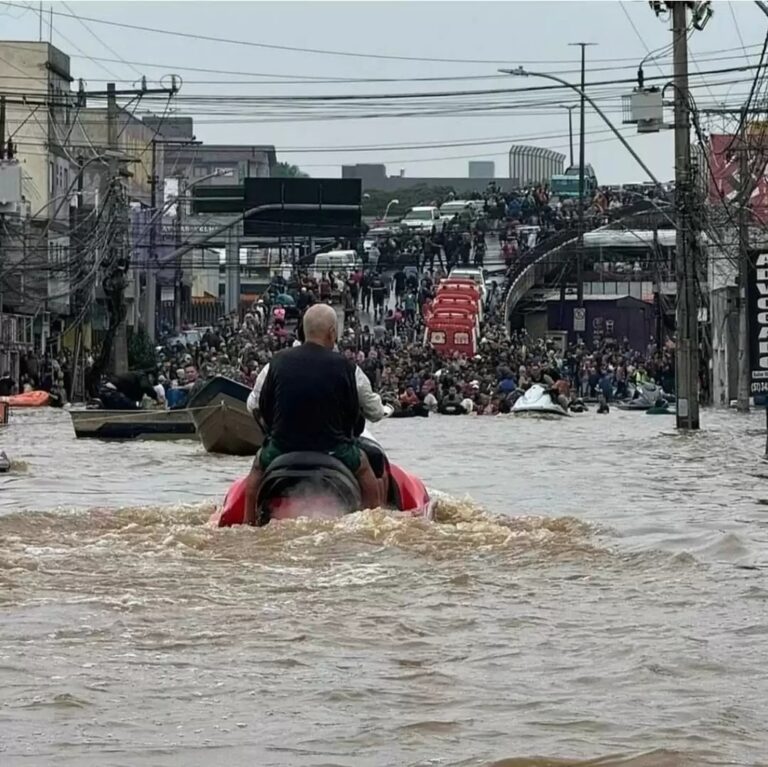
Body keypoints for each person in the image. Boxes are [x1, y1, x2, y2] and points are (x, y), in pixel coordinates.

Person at [242, 304, 383, 525]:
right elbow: (375, 412)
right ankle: (373, 524)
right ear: (332, 332)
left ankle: (247, 525)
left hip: (281, 448)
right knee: (366, 470)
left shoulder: (274, 364)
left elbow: (252, 405)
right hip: (335, 449)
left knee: (256, 473)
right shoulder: (349, 368)